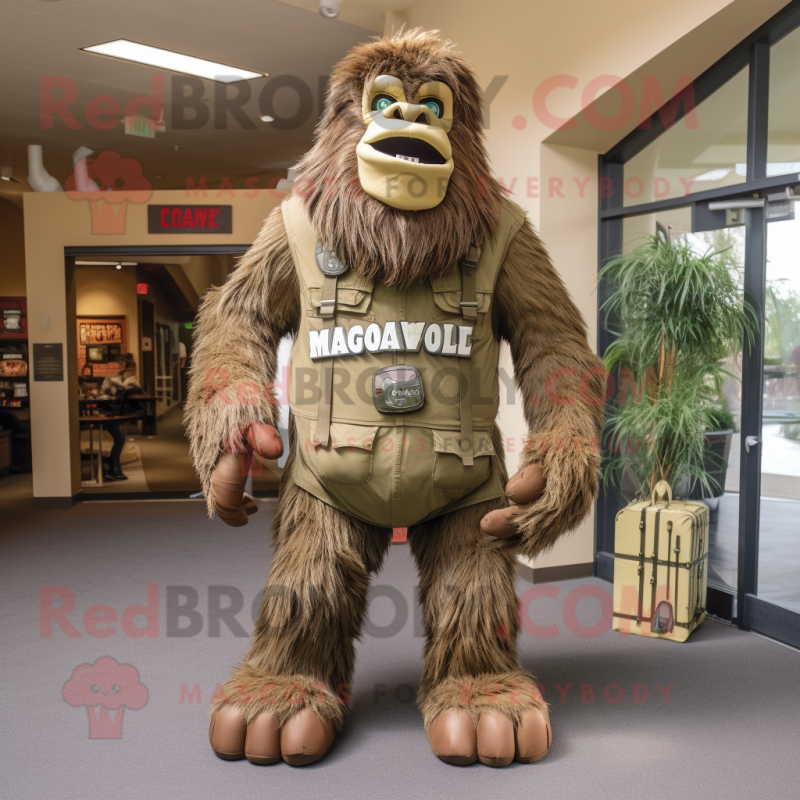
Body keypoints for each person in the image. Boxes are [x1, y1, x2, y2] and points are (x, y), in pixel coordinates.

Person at [100, 358, 143, 482]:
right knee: (120, 439)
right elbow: (105, 395)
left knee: (120, 439)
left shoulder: (123, 381)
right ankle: (113, 469)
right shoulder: (110, 381)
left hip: (116, 413)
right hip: (110, 413)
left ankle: (114, 468)